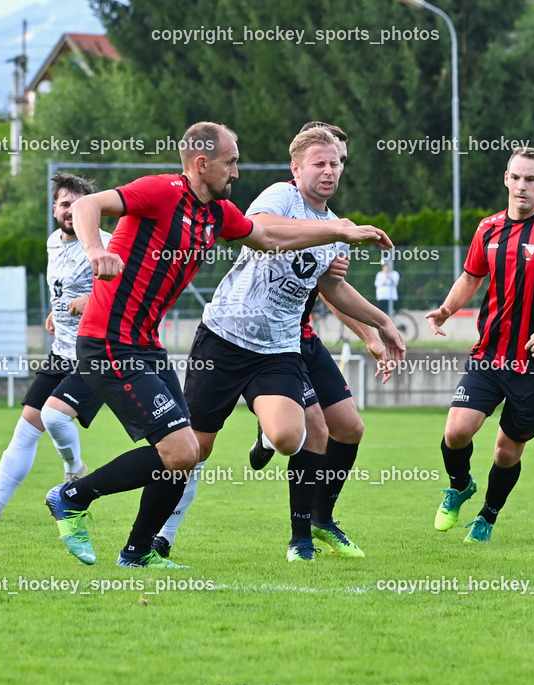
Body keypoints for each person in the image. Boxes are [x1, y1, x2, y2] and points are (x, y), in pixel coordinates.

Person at [44, 121, 394, 568]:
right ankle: (73, 496)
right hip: (109, 340)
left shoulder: (218, 213)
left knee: (186, 451)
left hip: (147, 345)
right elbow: (89, 204)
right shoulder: (162, 190)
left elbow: (265, 238)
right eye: (231, 162)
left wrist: (339, 233)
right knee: (182, 450)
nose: (237, 172)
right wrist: (95, 251)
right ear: (202, 163)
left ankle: (136, 552)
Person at [157, 126, 404, 564]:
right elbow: (263, 229)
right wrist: (337, 233)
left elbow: (333, 289)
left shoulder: (334, 227)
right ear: (296, 169)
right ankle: (160, 536)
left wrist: (381, 324)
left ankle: (305, 534)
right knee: (195, 448)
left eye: (336, 164)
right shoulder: (280, 198)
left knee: (296, 436)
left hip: (280, 347)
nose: (329, 171)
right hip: (224, 337)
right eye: (320, 164)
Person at [425, 147, 534, 543]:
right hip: (489, 354)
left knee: (507, 452)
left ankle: (487, 517)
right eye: (516, 177)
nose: (522, 186)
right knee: (456, 431)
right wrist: (447, 310)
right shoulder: (487, 229)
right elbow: (471, 277)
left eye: (531, 179)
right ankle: (459, 486)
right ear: (506, 178)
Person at [0, 172, 109, 520]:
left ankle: (75, 469)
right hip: (62, 352)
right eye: (66, 204)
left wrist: (89, 300)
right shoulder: (53, 243)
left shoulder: (105, 243)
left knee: (54, 417)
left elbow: (128, 290)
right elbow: (65, 285)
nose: (72, 211)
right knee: (26, 427)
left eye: (81, 205)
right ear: (55, 209)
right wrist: (56, 310)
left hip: (98, 353)